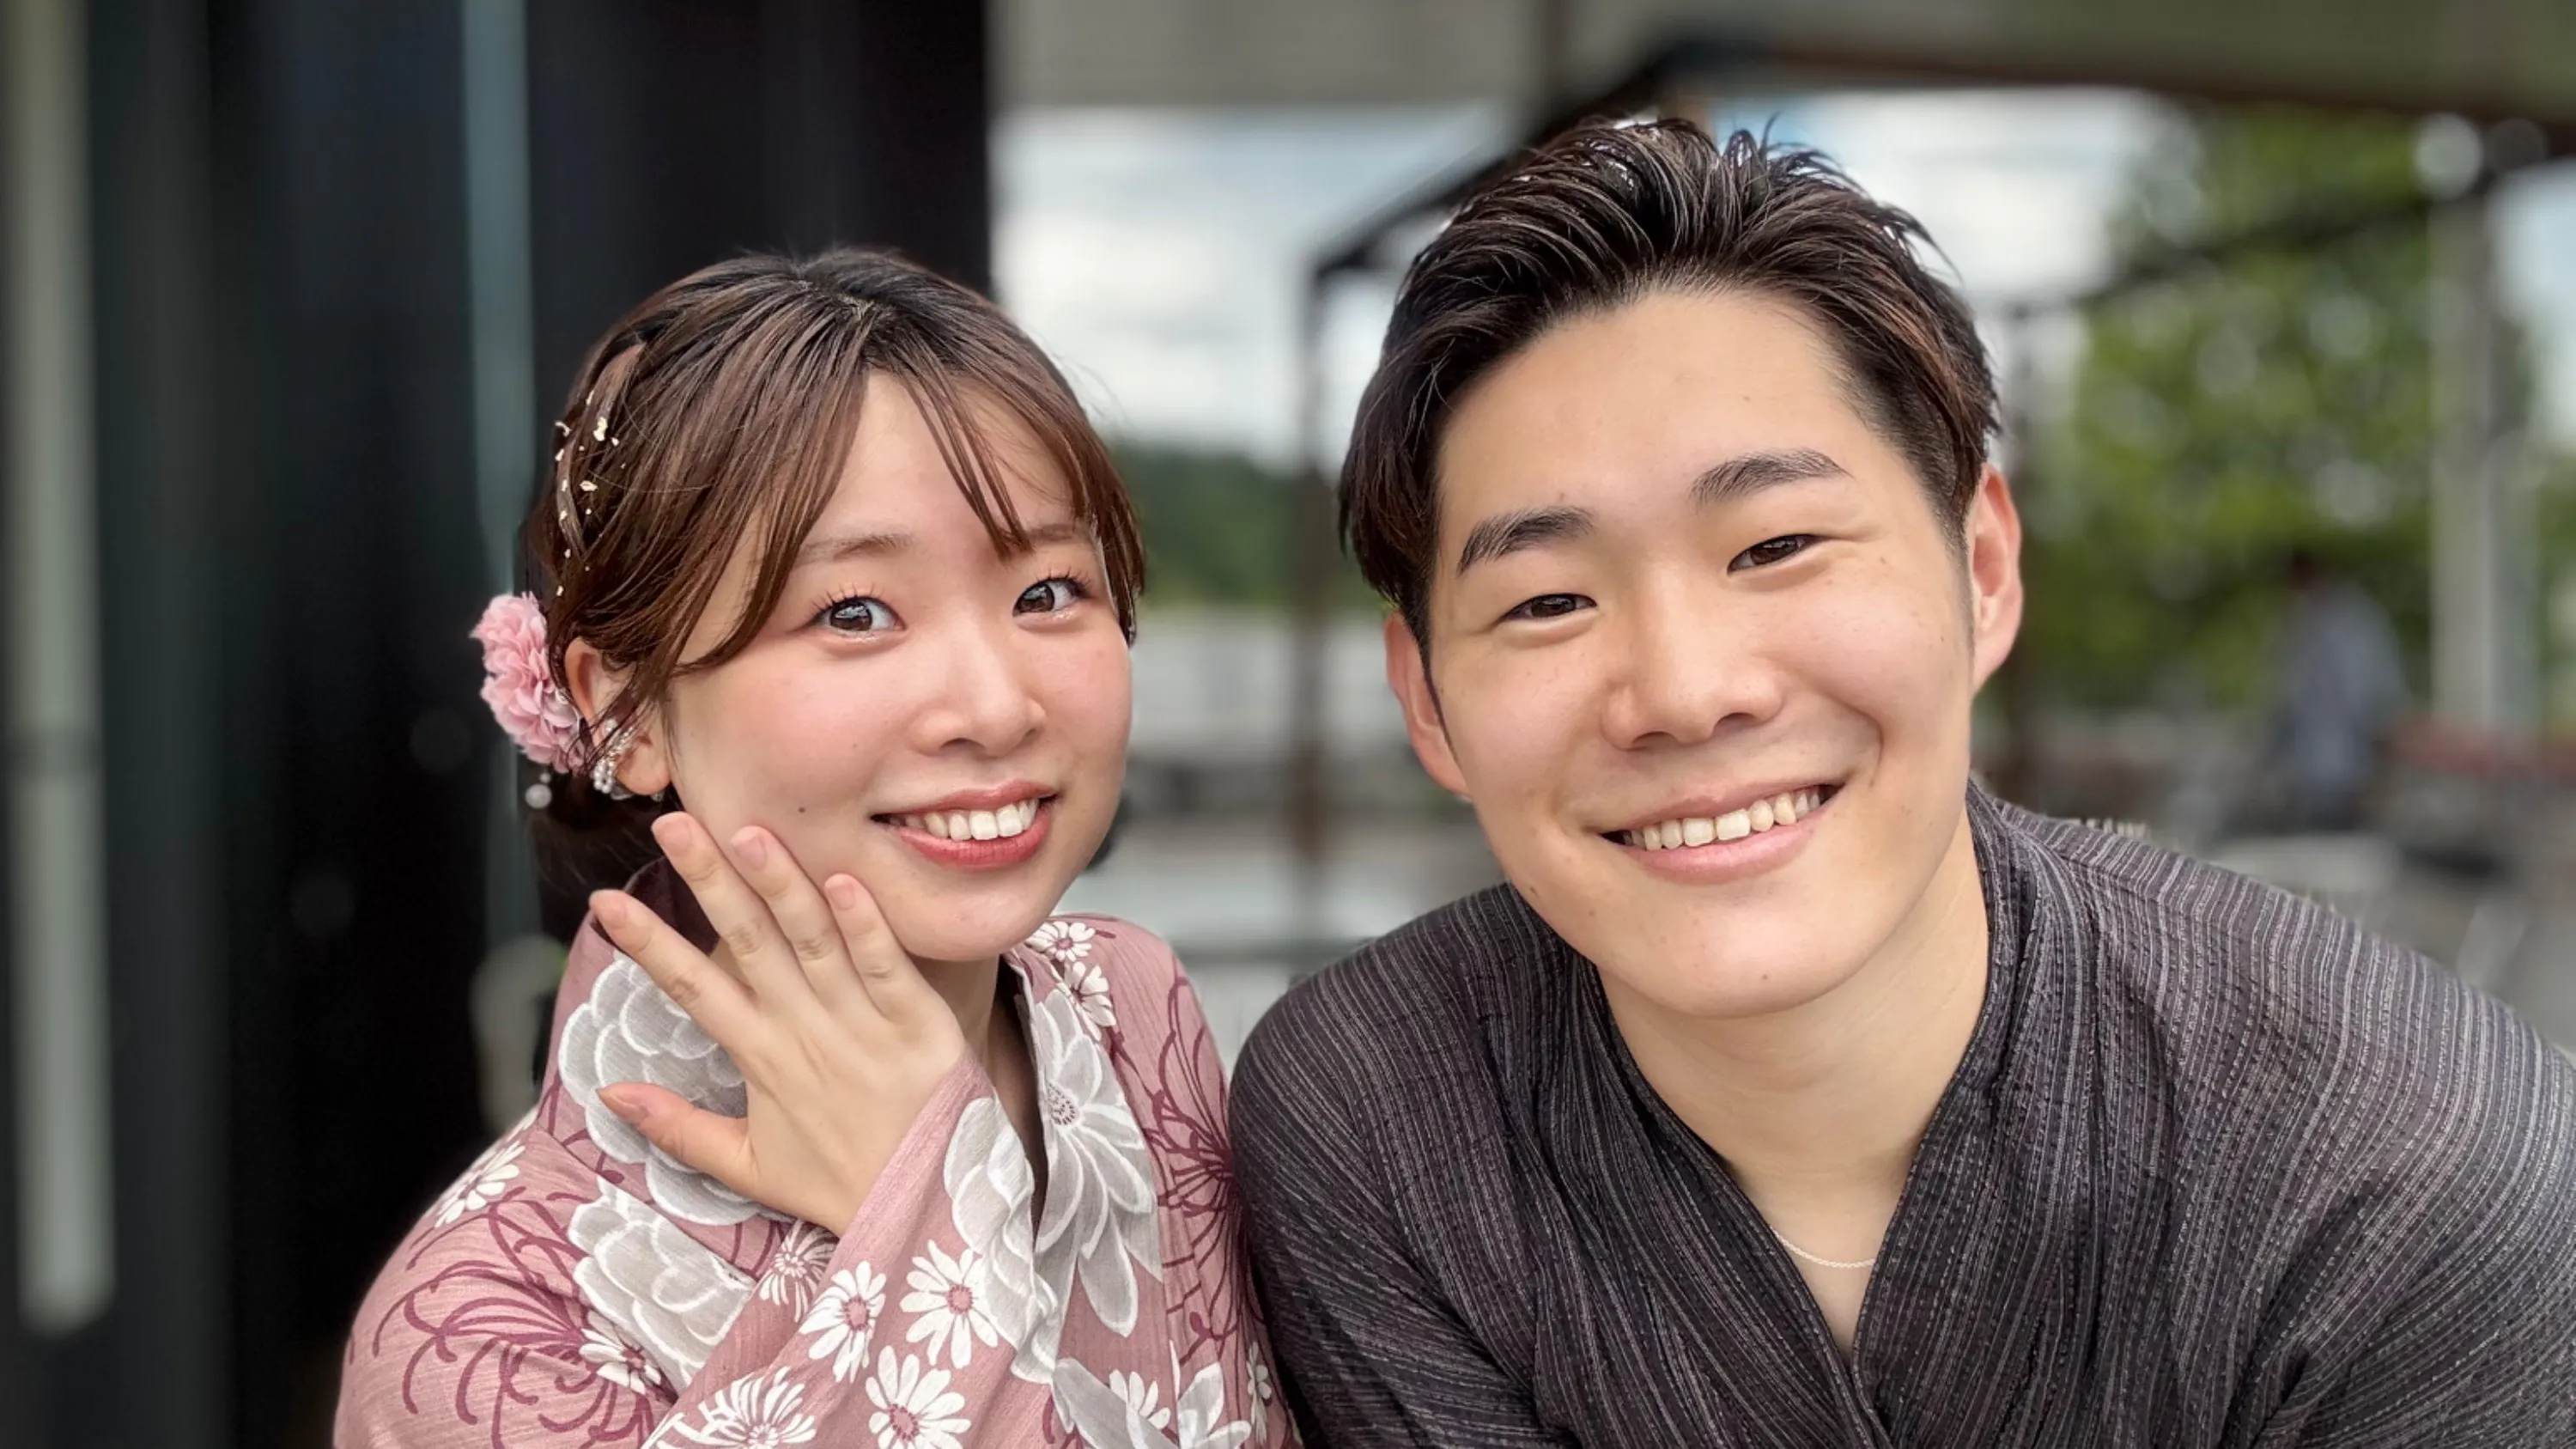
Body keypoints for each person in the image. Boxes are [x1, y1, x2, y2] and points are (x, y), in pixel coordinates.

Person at [1230, 119, 2576, 1446]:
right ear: (1427, 698)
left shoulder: (2409, 1165)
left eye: (1776, 544)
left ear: (1982, 568)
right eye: (1548, 600)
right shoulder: (1378, 1118)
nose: (1688, 690)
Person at [337, 250, 1290, 1449]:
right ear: (625, 706)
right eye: (855, 612)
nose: (994, 706)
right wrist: (929, 1214)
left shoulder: (1130, 1009)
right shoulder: (479, 1341)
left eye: (1049, 591)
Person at [2269, 547, 2407, 831]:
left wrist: (2375, 723)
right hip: (2314, 739)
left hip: (2351, 732)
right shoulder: (2303, 617)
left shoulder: (2353, 617)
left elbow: (2367, 678)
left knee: (2349, 797)